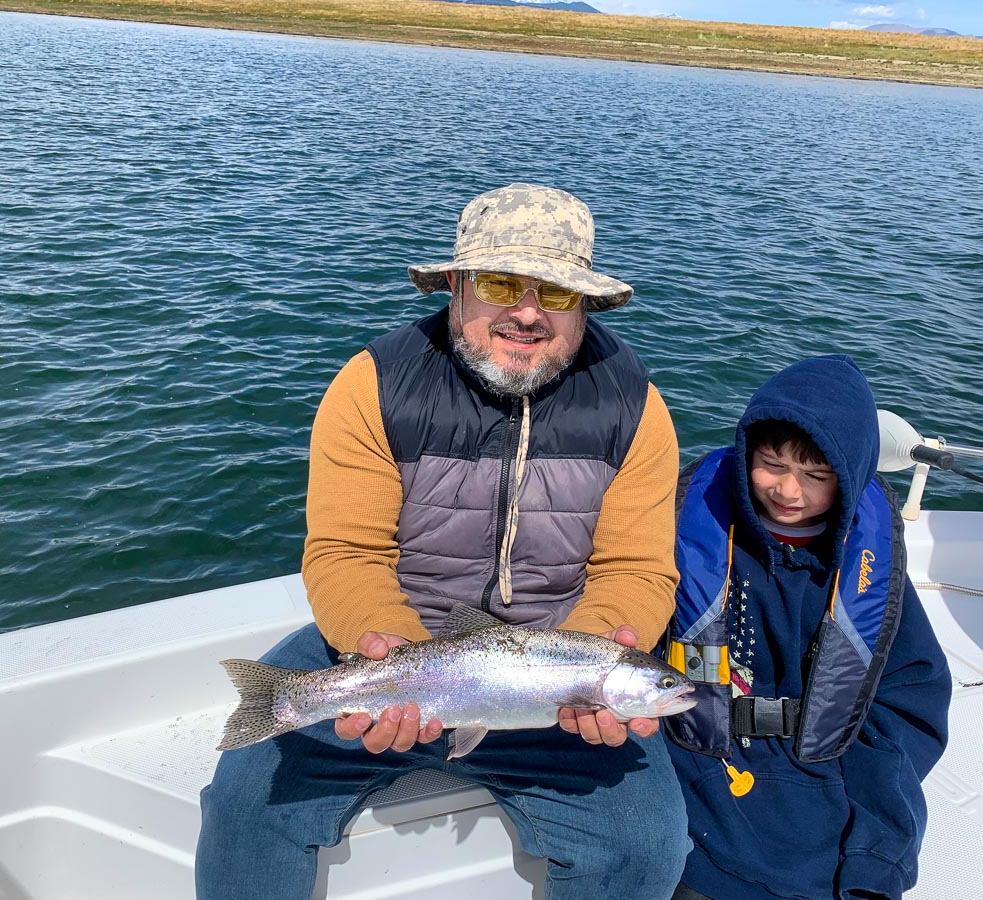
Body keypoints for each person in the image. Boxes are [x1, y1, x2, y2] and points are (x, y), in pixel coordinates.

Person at [195, 183, 690, 899]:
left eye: (554, 294)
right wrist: (392, 653)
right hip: (387, 648)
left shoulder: (636, 406)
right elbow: (345, 554)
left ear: (582, 305)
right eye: (499, 284)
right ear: (456, 286)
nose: (526, 312)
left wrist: (584, 667)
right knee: (246, 806)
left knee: (648, 844)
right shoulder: (372, 385)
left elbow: (637, 567)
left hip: (558, 672)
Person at [664, 355, 951, 900]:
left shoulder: (868, 566)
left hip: (827, 754)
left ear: (848, 478)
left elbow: (911, 699)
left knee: (858, 860)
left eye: (817, 477)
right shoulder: (688, 528)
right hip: (701, 745)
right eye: (770, 463)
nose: (788, 491)